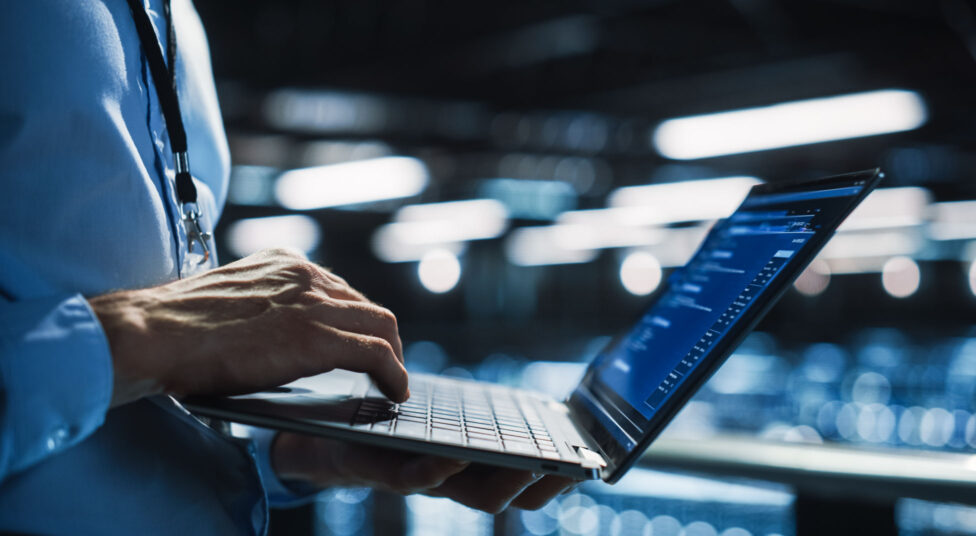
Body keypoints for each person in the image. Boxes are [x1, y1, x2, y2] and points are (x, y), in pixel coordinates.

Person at [0, 1, 576, 533]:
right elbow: (161, 341)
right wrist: (149, 329)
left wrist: (308, 450)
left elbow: (147, 410)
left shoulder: (179, 22)